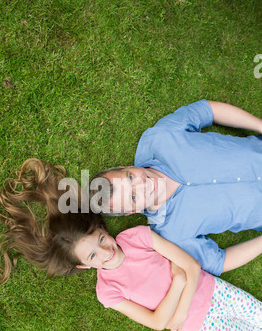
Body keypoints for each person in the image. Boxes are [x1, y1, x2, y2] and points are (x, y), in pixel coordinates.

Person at [0, 159, 262, 331]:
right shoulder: (107, 292)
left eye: (100, 238)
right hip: (198, 326)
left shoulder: (136, 236)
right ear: (84, 266)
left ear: (101, 228)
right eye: (93, 255)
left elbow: (191, 267)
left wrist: (176, 313)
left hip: (214, 292)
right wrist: (178, 283)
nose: (106, 250)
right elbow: (156, 323)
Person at [90, 100, 262, 276]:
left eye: (131, 177)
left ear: (123, 167)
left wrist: (260, 125)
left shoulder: (160, 137)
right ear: (131, 212)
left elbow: (208, 110)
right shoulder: (172, 235)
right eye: (133, 197)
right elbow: (219, 262)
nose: (143, 185)